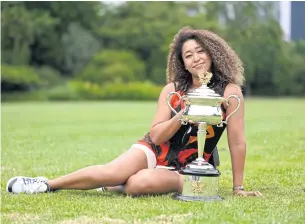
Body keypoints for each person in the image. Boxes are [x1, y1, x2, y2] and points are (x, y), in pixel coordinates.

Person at [6, 27, 263, 197]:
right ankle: (46, 184)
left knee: (138, 185)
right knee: (113, 171)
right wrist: (182, 113)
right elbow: (157, 134)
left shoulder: (229, 92)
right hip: (155, 149)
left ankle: (125, 185)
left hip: (189, 165)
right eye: (188, 55)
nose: (195, 58)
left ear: (212, 52)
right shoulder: (172, 90)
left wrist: (237, 187)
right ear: (182, 63)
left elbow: (237, 141)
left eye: (200, 51)